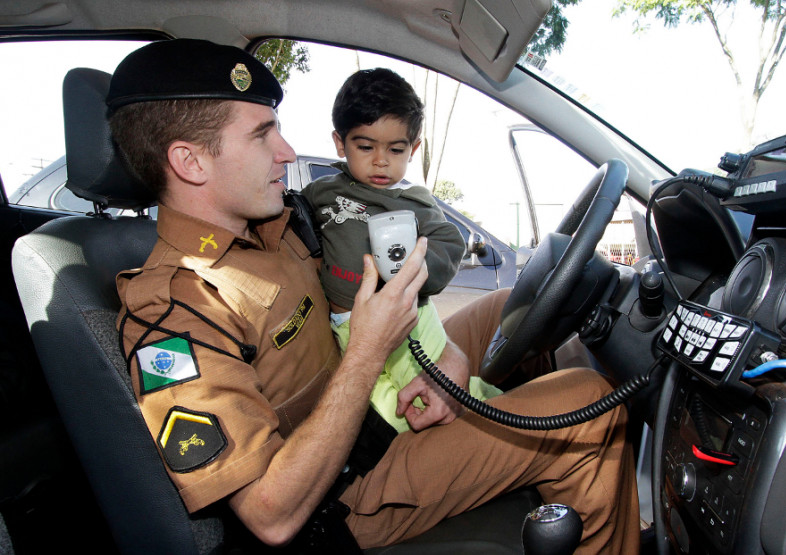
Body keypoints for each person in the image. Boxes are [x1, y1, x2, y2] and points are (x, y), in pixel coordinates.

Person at [112, 38, 640, 553]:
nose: (288, 152)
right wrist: (368, 351)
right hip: (344, 485)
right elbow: (270, 515)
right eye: (261, 135)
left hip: (372, 398)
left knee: (508, 309)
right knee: (589, 404)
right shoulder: (174, 310)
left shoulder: (279, 226)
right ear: (190, 162)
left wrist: (449, 360)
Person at [303, 67, 501, 434]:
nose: (381, 161)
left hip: (409, 317)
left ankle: (495, 410)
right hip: (347, 329)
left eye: (396, 149)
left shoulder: (415, 202)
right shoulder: (321, 194)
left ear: (414, 148)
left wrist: (412, 274)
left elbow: (450, 242)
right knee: (381, 409)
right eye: (365, 147)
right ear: (339, 142)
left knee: (437, 394)